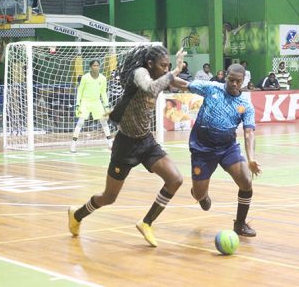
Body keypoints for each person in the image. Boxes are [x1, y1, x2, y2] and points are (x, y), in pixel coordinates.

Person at [68, 46, 186, 247]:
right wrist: (175, 70)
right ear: (150, 64)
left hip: (146, 141)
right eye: (163, 65)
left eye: (168, 66)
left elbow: (177, 82)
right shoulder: (140, 73)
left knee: (175, 179)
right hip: (125, 145)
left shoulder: (162, 76)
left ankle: (146, 223)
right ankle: (77, 214)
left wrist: (205, 88)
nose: (166, 70)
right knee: (109, 197)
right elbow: (150, 87)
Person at [170, 63, 262, 237]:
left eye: (238, 81)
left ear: (244, 81)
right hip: (202, 148)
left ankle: (240, 224)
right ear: (225, 77)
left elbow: (249, 133)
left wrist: (250, 159)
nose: (234, 84)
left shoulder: (245, 105)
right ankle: (201, 195)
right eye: (231, 80)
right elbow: (183, 84)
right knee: (198, 195)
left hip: (228, 147)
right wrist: (164, 76)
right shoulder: (211, 87)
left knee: (245, 180)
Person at [70, 60, 113, 152]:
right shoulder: (85, 78)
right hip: (85, 102)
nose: (96, 67)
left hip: (97, 102)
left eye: (97, 65)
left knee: (104, 122)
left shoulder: (103, 78)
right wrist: (78, 104)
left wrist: (106, 106)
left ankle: (110, 142)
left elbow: (103, 93)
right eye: (94, 65)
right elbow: (80, 91)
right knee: (80, 122)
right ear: (90, 67)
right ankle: (73, 144)